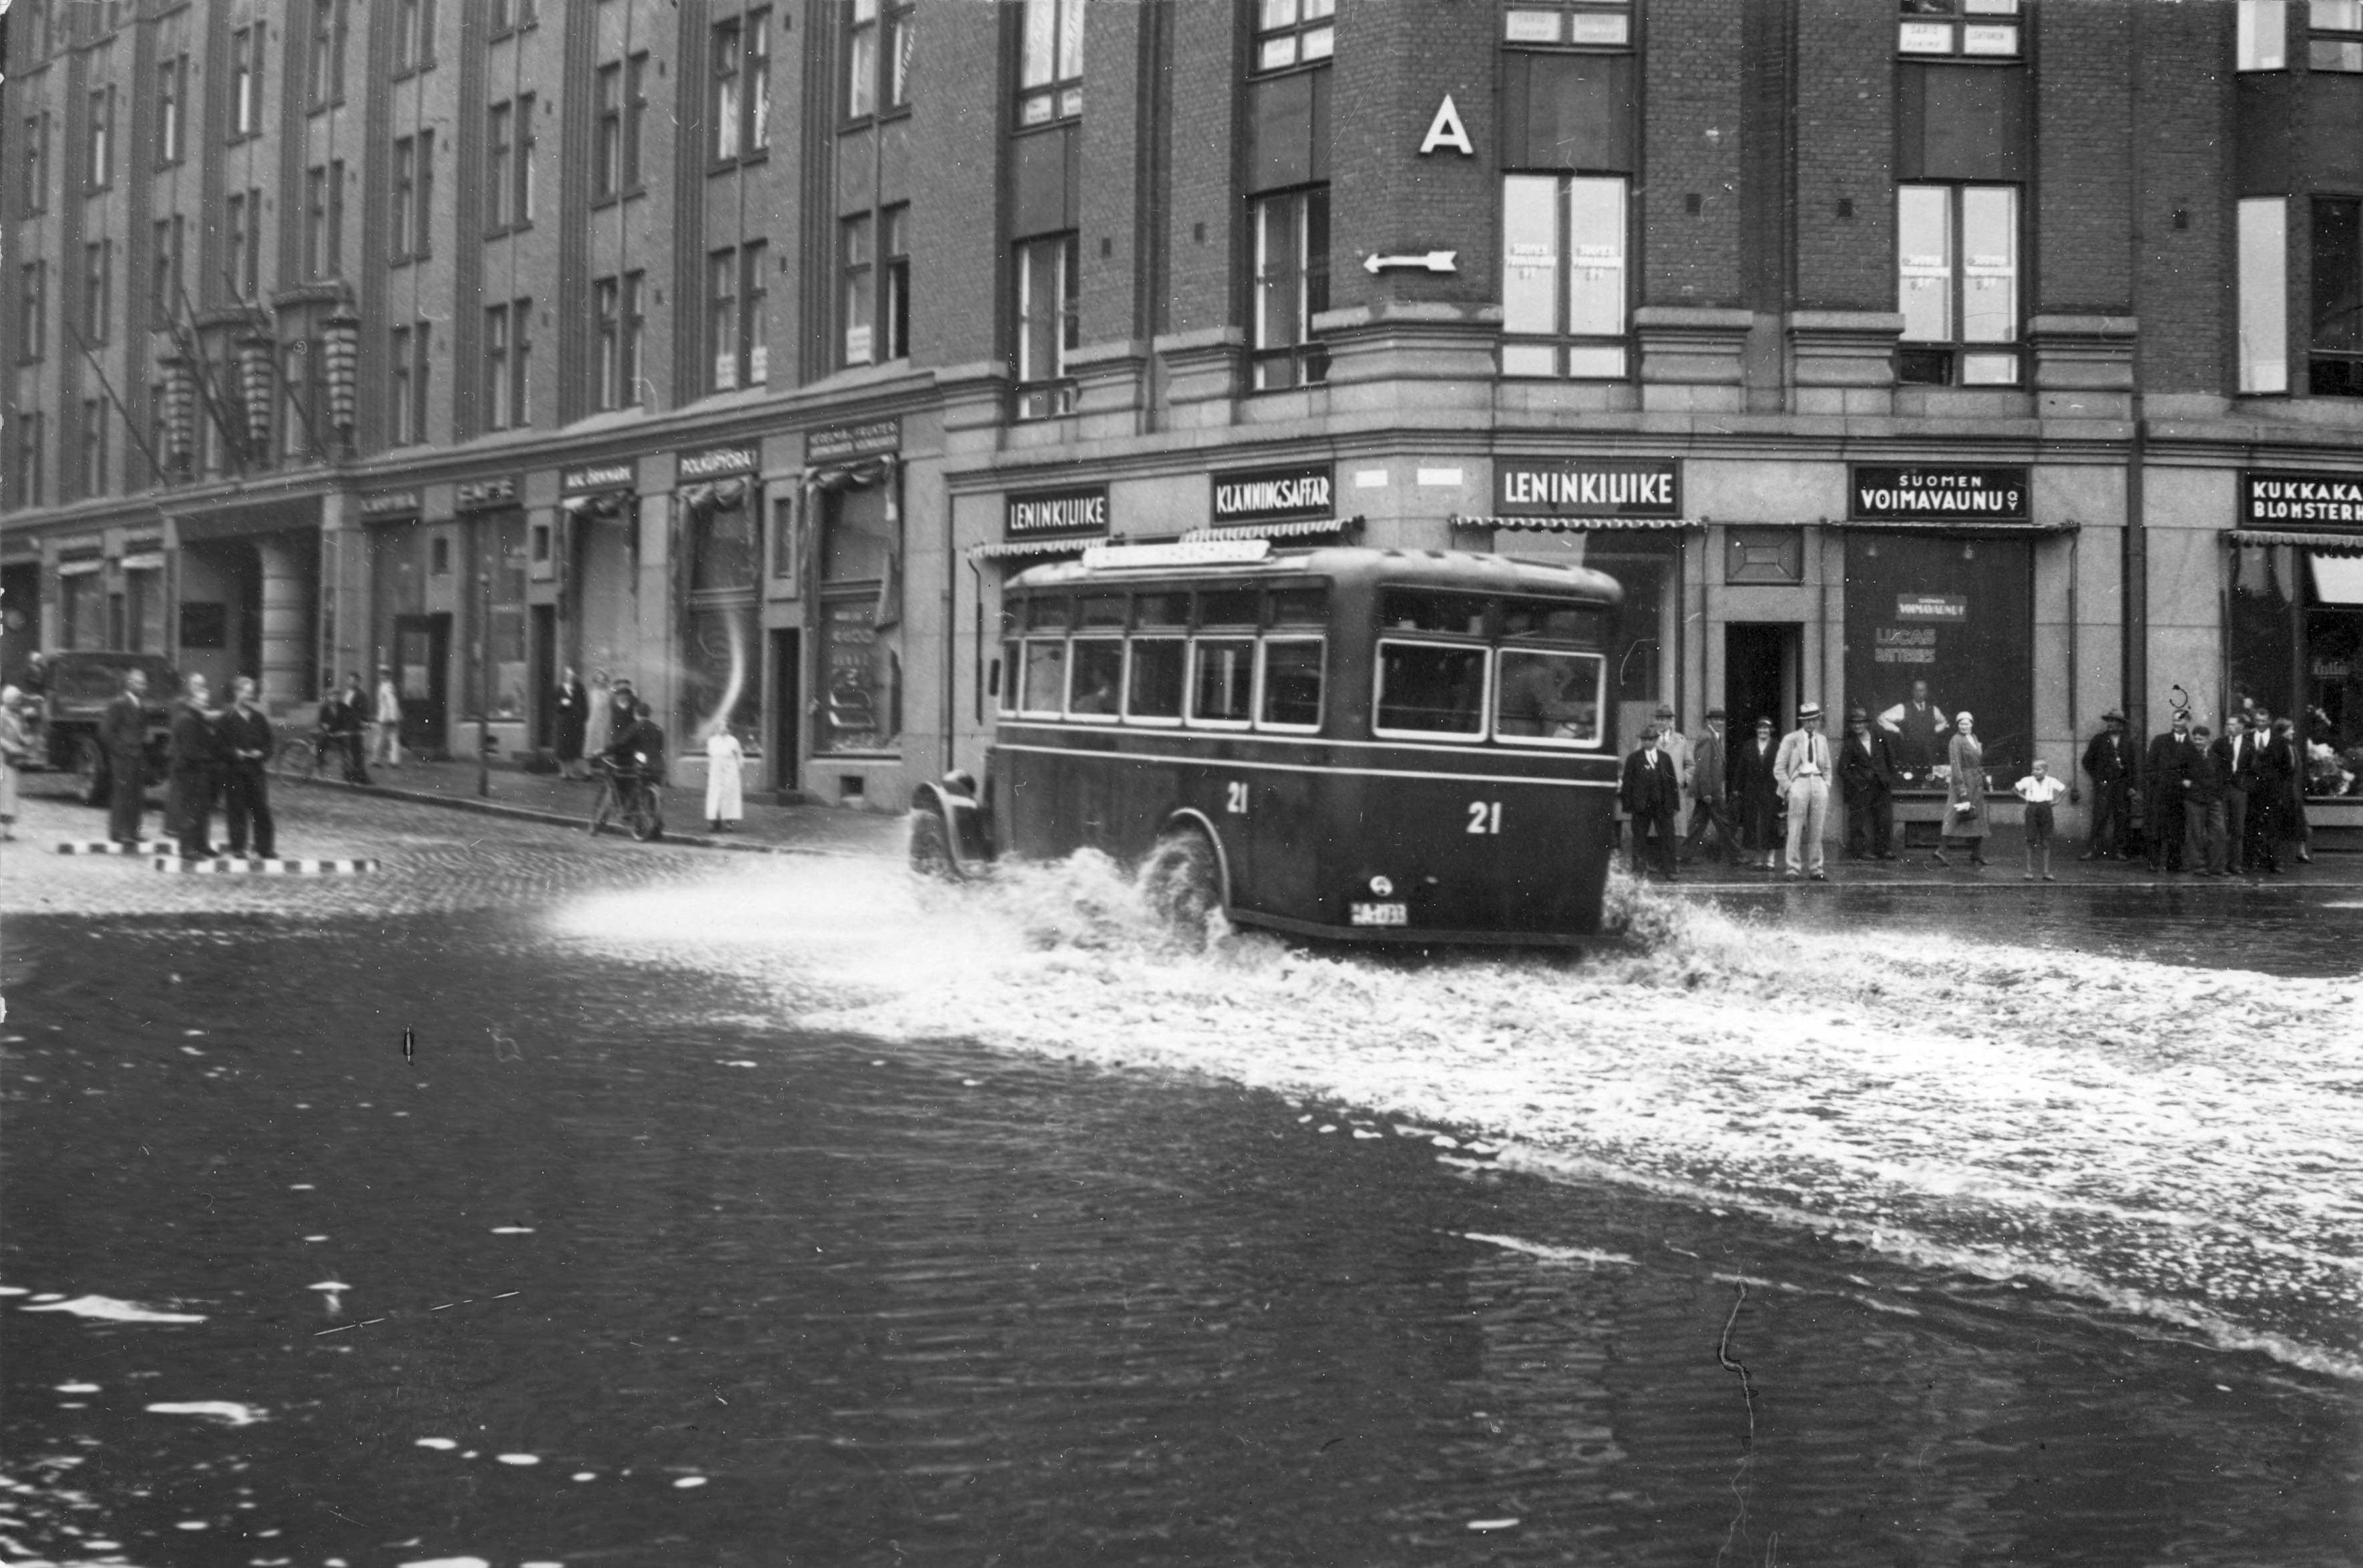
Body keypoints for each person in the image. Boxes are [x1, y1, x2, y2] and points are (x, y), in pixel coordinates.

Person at [168, 673, 226, 860]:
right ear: (193, 702)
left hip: (199, 771)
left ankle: (201, 844)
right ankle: (188, 848)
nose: (205, 706)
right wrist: (210, 757)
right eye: (202, 703)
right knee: (190, 810)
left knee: (202, 809)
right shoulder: (187, 719)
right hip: (189, 771)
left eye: (206, 703)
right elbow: (190, 750)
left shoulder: (198, 719)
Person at [1773, 701, 1833, 880]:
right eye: (1807, 720)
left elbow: (1828, 767)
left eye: (1814, 719)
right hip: (1799, 782)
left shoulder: (1821, 740)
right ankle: (1793, 868)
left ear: (1818, 720)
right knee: (1795, 827)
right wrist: (1790, 788)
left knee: (1817, 828)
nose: (1811, 724)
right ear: (1802, 722)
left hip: (1818, 783)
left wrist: (1826, 785)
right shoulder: (1791, 739)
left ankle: (1816, 868)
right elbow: (1779, 768)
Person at [219, 676, 276, 860]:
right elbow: (218, 747)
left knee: (261, 810)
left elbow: (269, 743)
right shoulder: (226, 718)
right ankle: (238, 848)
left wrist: (262, 753)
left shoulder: (259, 718)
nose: (250, 696)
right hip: (235, 772)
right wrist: (236, 754)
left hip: (256, 771)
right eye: (246, 693)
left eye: (252, 694)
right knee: (236, 811)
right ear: (237, 693)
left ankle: (264, 848)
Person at [1836, 705, 1902, 860]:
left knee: (1884, 818)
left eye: (1860, 723)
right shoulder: (1850, 743)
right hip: (1862, 787)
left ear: (1866, 723)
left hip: (1881, 783)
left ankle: (1884, 850)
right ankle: (1860, 851)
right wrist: (1857, 782)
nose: (1857, 726)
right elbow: (1842, 769)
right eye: (1854, 724)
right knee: (1858, 820)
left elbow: (1890, 758)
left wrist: (1889, 778)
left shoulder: (1879, 736)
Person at [1619, 724, 1681, 880]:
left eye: (1651, 739)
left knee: (1667, 837)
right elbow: (1628, 782)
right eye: (1644, 740)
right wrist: (1628, 805)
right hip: (1641, 806)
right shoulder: (1633, 758)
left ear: (1656, 740)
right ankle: (1638, 869)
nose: (1647, 743)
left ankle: (1670, 870)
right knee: (1639, 837)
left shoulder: (1665, 758)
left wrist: (1675, 804)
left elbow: (1672, 782)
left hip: (1662, 804)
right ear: (1641, 741)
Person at [1932, 710, 1990, 868]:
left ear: (1972, 724)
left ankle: (1976, 853)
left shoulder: (1974, 738)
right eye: (1961, 724)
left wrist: (1985, 780)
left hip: (1977, 783)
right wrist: (1962, 790)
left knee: (1978, 817)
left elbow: (1978, 763)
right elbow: (1956, 766)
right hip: (1963, 782)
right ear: (1958, 725)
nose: (1964, 727)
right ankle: (1941, 851)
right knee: (1954, 816)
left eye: (1967, 723)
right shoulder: (1956, 740)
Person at [1679, 708, 1739, 865]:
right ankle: (1736, 855)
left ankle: (1684, 855)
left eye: (1721, 720)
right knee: (1723, 823)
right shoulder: (1707, 737)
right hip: (1710, 791)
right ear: (1709, 721)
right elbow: (1703, 766)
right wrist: (1706, 792)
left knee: (1697, 825)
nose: (1719, 722)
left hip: (1710, 790)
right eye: (1716, 720)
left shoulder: (1714, 736)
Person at [101, 667, 151, 845]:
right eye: (140, 682)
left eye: (145, 683)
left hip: (137, 755)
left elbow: (142, 729)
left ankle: (133, 832)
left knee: (137, 795)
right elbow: (106, 732)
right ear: (130, 684)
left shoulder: (141, 705)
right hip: (123, 758)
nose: (144, 686)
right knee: (123, 794)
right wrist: (121, 750)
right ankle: (119, 832)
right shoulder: (119, 704)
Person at [2143, 712, 2196, 873]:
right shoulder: (2160, 741)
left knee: (2177, 830)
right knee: (2156, 830)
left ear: (2187, 722)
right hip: (2160, 793)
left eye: (2180, 720)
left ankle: (2174, 864)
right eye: (2174, 720)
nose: (2176, 723)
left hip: (2180, 796)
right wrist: (2157, 785)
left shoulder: (2191, 746)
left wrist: (2185, 784)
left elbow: (2193, 772)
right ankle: (2153, 863)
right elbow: (2150, 767)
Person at [2079, 710, 2136, 860]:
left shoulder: (2127, 741)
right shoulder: (2099, 740)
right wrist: (2098, 779)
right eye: (2109, 721)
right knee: (2100, 817)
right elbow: (2087, 761)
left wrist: (2132, 786)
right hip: (2104, 785)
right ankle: (2092, 850)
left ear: (2121, 725)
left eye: (2115, 721)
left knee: (2122, 817)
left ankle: (2119, 851)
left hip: (2122, 786)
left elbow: (2133, 765)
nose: (2111, 724)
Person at [1877, 679, 1951, 783]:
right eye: (1917, 690)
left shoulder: (1933, 709)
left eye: (1922, 690)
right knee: (1909, 779)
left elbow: (1944, 722)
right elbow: (1881, 718)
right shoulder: (1903, 708)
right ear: (1912, 692)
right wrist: (1897, 730)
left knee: (1930, 779)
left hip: (1929, 754)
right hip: (1909, 753)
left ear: (1927, 692)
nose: (1920, 693)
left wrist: (1933, 731)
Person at [1736, 715, 1782, 871]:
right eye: (1760, 728)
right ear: (1757, 730)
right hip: (1752, 791)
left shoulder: (1777, 746)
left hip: (1771, 791)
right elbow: (1741, 769)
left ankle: (1770, 859)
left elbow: (1783, 768)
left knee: (1770, 825)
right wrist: (1737, 788)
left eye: (1766, 728)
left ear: (1771, 730)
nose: (1763, 731)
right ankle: (1758, 858)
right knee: (1754, 825)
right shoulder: (1749, 746)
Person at [2214, 715, 2259, 876]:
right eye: (2228, 724)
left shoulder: (2249, 746)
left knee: (2238, 829)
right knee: (2221, 828)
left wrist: (2246, 787)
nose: (2230, 727)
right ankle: (2222, 864)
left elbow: (2254, 770)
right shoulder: (2220, 744)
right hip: (2223, 789)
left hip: (2239, 790)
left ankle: (2236, 864)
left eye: (2233, 725)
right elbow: (2214, 766)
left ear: (2241, 726)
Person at [2183, 722, 2227, 876]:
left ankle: (2217, 867)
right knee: (2195, 834)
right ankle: (2199, 866)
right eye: (2195, 739)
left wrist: (2218, 795)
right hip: (2194, 800)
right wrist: (2184, 782)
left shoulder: (2215, 757)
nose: (2197, 742)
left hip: (2213, 799)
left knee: (2219, 832)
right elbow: (2176, 774)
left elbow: (2221, 777)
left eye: (2200, 739)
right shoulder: (2187, 756)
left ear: (2208, 740)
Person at [2014, 758, 2069, 881]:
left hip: (2046, 809)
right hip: (2032, 809)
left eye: (2038, 769)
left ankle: (2046, 871)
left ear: (2045, 770)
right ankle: (2028, 871)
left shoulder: (2051, 781)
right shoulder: (2028, 781)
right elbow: (2015, 790)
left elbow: (2064, 790)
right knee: (2031, 840)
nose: (2035, 772)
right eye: (2033, 769)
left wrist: (2057, 800)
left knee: (2046, 841)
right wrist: (2026, 798)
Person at [2251, 712, 2292, 874]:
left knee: (2273, 826)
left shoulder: (2280, 741)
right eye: (2257, 721)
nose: (2260, 723)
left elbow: (2287, 767)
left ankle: (2274, 861)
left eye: (2263, 720)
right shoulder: (2248, 738)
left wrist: (2280, 790)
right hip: (2252, 790)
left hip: (2273, 791)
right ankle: (2252, 861)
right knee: (2252, 824)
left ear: (2269, 721)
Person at [319, 674, 370, 784]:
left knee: (348, 751)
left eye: (337, 695)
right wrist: (324, 726)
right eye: (333, 695)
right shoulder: (325, 707)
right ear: (329, 696)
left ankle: (350, 774)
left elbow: (350, 714)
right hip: (327, 734)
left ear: (358, 682)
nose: (335, 697)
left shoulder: (345, 704)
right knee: (322, 743)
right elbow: (321, 721)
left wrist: (362, 722)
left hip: (344, 732)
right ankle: (320, 761)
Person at [704, 724, 746, 832]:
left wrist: (740, 768)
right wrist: (709, 769)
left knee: (729, 795)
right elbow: (710, 757)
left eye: (725, 727)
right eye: (720, 727)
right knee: (715, 795)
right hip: (716, 770)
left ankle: (729, 823)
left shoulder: (733, 741)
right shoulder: (712, 741)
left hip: (730, 770)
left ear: (729, 729)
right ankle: (714, 822)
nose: (722, 729)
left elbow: (740, 756)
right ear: (717, 729)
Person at [0, 686, 29, 842]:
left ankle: (5, 830)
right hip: (2, 758)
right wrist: (10, 746)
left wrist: (22, 740)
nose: (19, 702)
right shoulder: (1, 714)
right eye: (17, 699)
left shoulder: (16, 715)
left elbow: (17, 733)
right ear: (10, 700)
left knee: (9, 794)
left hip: (11, 759)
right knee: (2, 793)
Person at [553, 667, 590, 780]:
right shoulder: (560, 689)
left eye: (572, 676)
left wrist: (583, 719)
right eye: (568, 675)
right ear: (564, 676)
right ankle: (564, 772)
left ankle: (572, 772)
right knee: (562, 748)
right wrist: (562, 704)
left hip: (576, 723)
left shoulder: (580, 688)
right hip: (563, 723)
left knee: (574, 748)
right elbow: (555, 707)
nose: (570, 678)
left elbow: (585, 705)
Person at [371, 666, 403, 768]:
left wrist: (393, 718)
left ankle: (381, 760)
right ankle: (390, 761)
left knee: (386, 739)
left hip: (387, 717)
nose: (382, 676)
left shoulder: (388, 687)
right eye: (381, 674)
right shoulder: (383, 686)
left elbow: (392, 703)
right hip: (387, 717)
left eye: (384, 675)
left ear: (388, 676)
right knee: (389, 739)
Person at [584, 670, 615, 773]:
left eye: (603, 679)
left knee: (604, 748)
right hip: (593, 723)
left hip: (605, 724)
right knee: (590, 748)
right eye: (598, 679)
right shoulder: (591, 693)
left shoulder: (609, 694)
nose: (601, 682)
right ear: (596, 681)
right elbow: (588, 708)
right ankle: (588, 773)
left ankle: (606, 773)